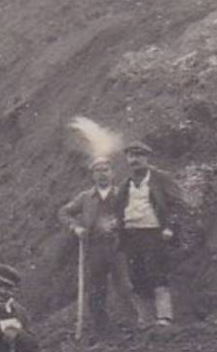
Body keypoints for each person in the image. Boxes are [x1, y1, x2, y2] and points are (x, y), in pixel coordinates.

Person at [118, 141, 186, 328]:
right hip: (131, 235)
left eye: (139, 156)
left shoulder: (160, 178)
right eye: (131, 156)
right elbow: (119, 210)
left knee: (157, 272)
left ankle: (164, 317)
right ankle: (145, 319)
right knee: (136, 275)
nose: (135, 160)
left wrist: (170, 227)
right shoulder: (125, 184)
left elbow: (178, 204)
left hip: (154, 233)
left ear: (147, 158)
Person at [59, 157, 127, 339]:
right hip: (95, 248)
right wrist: (76, 227)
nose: (102, 174)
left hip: (119, 246)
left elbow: (133, 213)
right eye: (98, 171)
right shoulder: (85, 197)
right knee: (97, 291)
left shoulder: (122, 194)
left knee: (125, 286)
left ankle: (133, 326)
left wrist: (120, 222)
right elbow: (64, 212)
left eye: (105, 170)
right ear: (92, 176)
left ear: (112, 173)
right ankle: (103, 332)